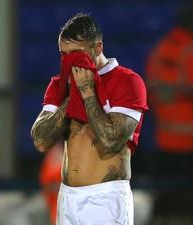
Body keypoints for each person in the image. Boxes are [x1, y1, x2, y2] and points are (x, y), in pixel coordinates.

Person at [31, 13, 148, 225]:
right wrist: (70, 96)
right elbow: (41, 140)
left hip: (106, 198)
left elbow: (111, 141)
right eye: (63, 55)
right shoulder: (60, 85)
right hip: (67, 196)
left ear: (97, 48)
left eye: (76, 54)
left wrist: (87, 92)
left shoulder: (127, 82)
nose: (69, 61)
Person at [145, 3, 193, 176]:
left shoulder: (159, 49)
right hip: (192, 142)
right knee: (189, 196)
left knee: (169, 193)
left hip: (164, 137)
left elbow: (150, 86)